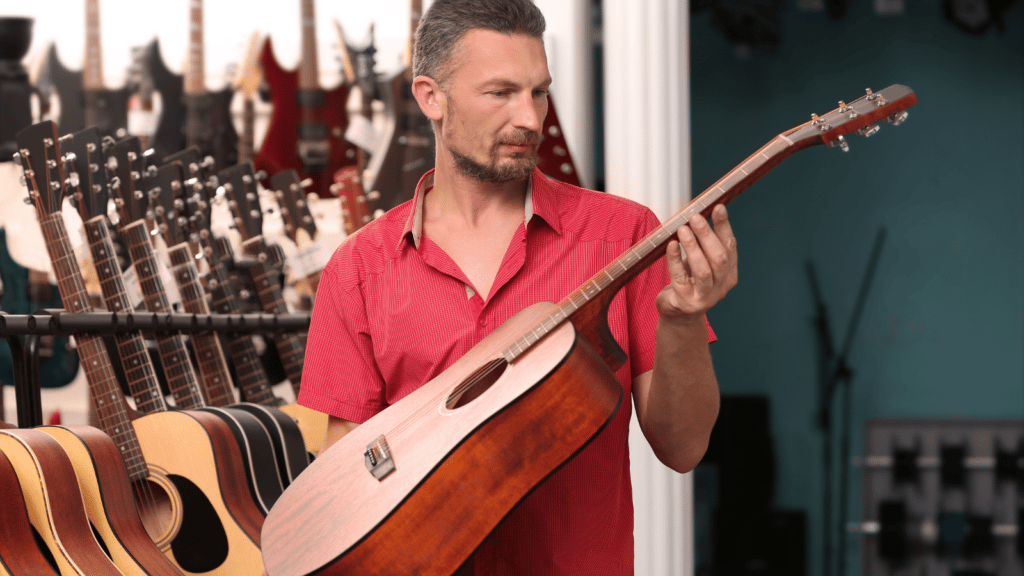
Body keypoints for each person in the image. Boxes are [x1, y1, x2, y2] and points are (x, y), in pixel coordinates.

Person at [297, 0, 738, 573]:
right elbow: (347, 485)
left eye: (539, 92)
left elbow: (683, 449)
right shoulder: (360, 267)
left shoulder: (626, 238)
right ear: (431, 97)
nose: (531, 119)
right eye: (500, 93)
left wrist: (680, 320)